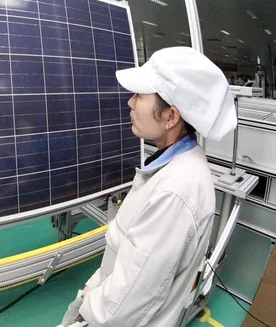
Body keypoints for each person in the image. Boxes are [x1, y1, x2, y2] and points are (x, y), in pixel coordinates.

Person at [59, 47, 237, 327]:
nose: (130, 103)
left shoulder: (175, 191)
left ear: (171, 116)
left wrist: (87, 310)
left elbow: (125, 303)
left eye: (140, 96)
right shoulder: (175, 163)